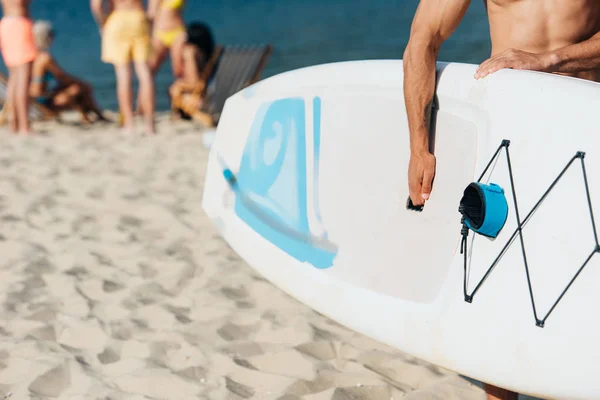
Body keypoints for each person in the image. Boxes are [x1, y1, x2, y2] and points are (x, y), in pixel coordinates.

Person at [403, 1, 600, 399]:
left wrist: (550, 59)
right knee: (501, 282)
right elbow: (424, 38)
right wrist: (418, 145)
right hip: (514, 130)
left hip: (586, 125)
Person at [404, 0, 600, 210]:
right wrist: (419, 150)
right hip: (510, 122)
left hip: (584, 117)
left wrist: (549, 59)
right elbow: (423, 39)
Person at [90, 0, 155, 134]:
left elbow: (96, 6)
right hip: (138, 16)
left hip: (117, 18)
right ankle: (149, 124)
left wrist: (103, 23)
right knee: (145, 73)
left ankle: (129, 123)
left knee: (123, 75)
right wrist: (149, 18)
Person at [30, 20, 108, 124]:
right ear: (46, 37)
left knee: (77, 87)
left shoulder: (30, 56)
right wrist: (81, 83)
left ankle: (91, 116)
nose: (53, 37)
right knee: (79, 88)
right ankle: (96, 115)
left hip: (36, 100)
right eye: (51, 34)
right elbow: (62, 77)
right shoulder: (45, 58)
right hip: (43, 103)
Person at [0, 0, 37, 134]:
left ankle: (14, 123)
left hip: (6, 23)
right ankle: (24, 125)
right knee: (23, 78)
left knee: (14, 78)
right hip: (19, 24)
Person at [168, 21, 216, 123]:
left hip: (197, 98)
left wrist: (177, 48)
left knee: (175, 89)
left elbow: (192, 81)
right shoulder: (207, 55)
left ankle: (181, 113)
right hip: (208, 95)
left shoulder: (190, 52)